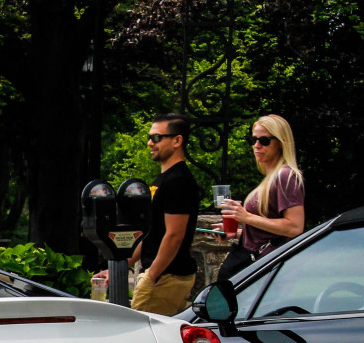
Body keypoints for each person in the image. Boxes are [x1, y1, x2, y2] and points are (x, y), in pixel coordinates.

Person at [218, 114, 305, 282]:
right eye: (253, 139)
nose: (257, 146)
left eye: (264, 141)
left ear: (280, 143)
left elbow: (294, 227)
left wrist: (246, 217)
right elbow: (266, 233)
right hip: (258, 264)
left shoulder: (285, 176)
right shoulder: (271, 177)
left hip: (265, 268)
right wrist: (234, 233)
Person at [128, 113, 200, 315]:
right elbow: (153, 230)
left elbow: (174, 235)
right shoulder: (164, 179)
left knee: (141, 339)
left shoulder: (179, 181)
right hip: (162, 277)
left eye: (157, 137)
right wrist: (126, 263)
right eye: (149, 137)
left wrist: (152, 275)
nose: (150, 142)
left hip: (166, 278)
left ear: (177, 140)